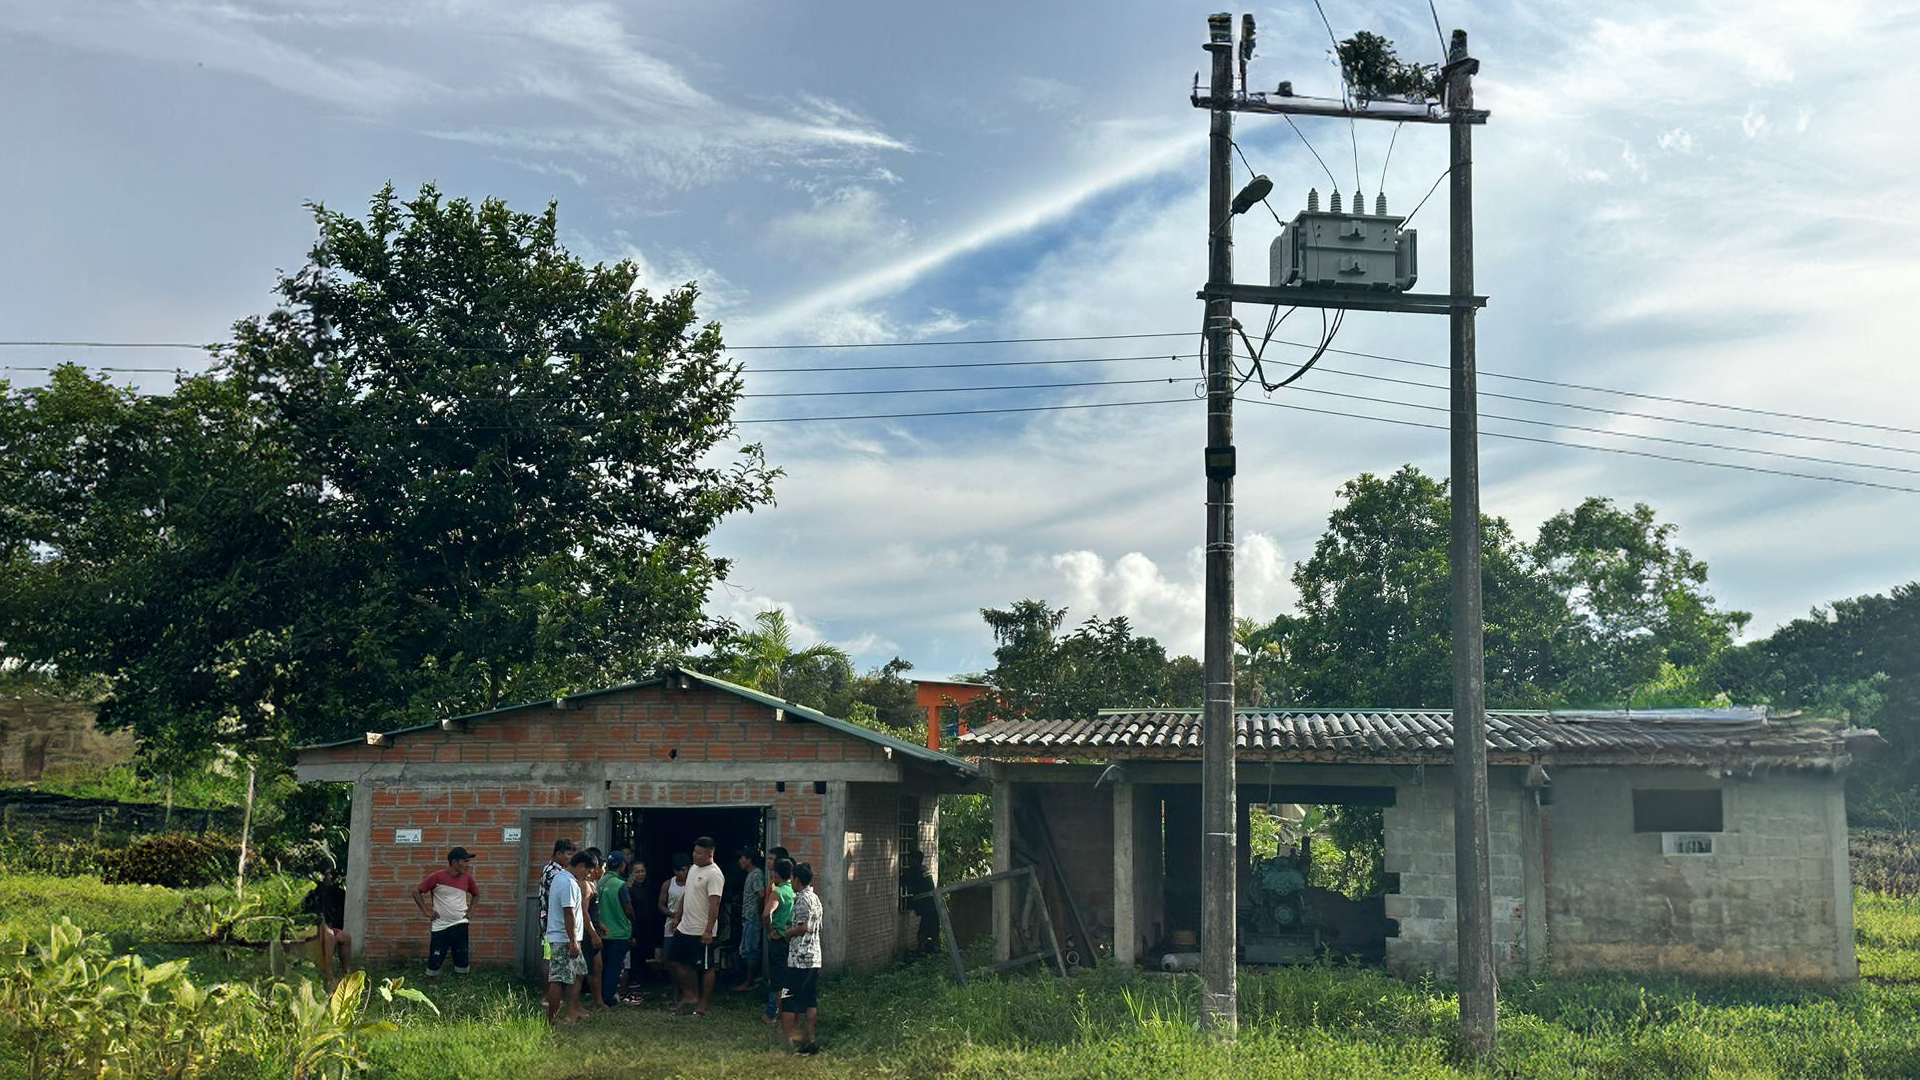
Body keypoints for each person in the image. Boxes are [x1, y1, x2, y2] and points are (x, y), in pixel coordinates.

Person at [669, 836, 726, 1016]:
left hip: (702, 930)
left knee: (706, 967)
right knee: (676, 961)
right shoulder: (693, 868)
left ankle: (703, 1005)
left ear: (710, 854)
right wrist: (677, 916)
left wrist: (709, 930)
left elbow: (714, 904)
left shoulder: (715, 874)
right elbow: (688, 893)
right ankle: (690, 995)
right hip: (685, 927)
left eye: (699, 853)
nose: (695, 855)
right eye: (694, 851)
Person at [545, 850, 596, 1024]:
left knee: (579, 973)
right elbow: (569, 913)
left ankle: (573, 1010)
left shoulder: (564, 878)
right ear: (581, 866)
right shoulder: (567, 883)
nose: (587, 876)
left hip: (571, 937)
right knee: (558, 979)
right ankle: (551, 1019)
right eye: (587, 872)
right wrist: (573, 941)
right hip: (564, 939)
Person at [414, 846, 480, 976]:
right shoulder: (437, 877)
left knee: (462, 955)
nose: (468, 865)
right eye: (465, 861)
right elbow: (416, 892)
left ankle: (462, 984)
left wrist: (470, 913)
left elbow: (476, 894)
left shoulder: (467, 878)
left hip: (460, 924)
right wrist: (426, 912)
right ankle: (431, 983)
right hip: (440, 926)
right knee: (436, 957)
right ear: (454, 862)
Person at [780, 862, 824, 1054]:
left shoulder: (802, 900)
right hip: (814, 956)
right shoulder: (815, 898)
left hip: (799, 959)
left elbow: (803, 927)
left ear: (797, 879)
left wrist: (788, 933)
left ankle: (791, 1042)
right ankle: (808, 1036)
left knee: (788, 998)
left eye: (792, 880)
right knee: (809, 1000)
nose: (791, 884)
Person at [598, 852, 636, 1008]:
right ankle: (609, 998)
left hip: (602, 931)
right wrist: (633, 919)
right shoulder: (620, 885)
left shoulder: (599, 882)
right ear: (622, 866)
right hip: (619, 932)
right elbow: (628, 909)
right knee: (614, 967)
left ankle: (600, 995)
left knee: (603, 965)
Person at [300, 867, 352, 976]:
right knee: (329, 936)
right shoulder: (311, 892)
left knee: (345, 937)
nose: (331, 877)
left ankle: (347, 973)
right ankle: (329, 976)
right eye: (329, 874)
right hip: (309, 929)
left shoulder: (327, 891)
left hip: (324, 927)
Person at [538, 838, 577, 981]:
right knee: (549, 957)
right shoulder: (554, 872)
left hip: (550, 921)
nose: (571, 858)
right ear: (558, 854)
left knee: (550, 956)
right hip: (550, 922)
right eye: (568, 854)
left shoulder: (551, 869)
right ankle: (547, 994)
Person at [762, 857, 795, 1025]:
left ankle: (770, 1013)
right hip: (790, 939)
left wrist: (769, 931)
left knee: (776, 979)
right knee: (786, 978)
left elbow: (767, 914)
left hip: (778, 939)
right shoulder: (793, 891)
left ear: (776, 873)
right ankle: (786, 1013)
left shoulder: (778, 892)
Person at [729, 848, 767, 992]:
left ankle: (749, 981)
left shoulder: (756, 874)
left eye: (743, 858)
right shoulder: (751, 874)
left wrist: (758, 912)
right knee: (746, 948)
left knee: (751, 949)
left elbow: (761, 894)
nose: (740, 861)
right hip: (748, 916)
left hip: (752, 917)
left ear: (750, 860)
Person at [900, 848, 940, 956]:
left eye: (910, 860)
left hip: (926, 905)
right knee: (930, 927)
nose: (908, 862)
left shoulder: (916, 871)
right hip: (932, 904)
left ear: (916, 860)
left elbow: (904, 880)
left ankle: (924, 949)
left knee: (925, 928)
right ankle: (930, 948)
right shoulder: (924, 869)